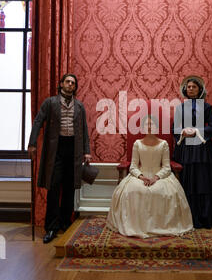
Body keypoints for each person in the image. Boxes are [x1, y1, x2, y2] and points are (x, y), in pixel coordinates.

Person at [28, 74, 91, 244]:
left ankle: (65, 222)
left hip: (74, 149)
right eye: (67, 82)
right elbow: (38, 122)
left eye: (73, 83)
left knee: (70, 188)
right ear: (61, 84)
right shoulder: (50, 103)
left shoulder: (79, 106)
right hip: (56, 151)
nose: (70, 85)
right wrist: (32, 143)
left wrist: (87, 151)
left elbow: (84, 129)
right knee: (54, 187)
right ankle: (51, 227)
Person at [106, 115, 193, 238]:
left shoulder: (163, 144)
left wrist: (156, 178)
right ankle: (136, 226)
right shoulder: (137, 143)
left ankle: (160, 226)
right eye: (146, 124)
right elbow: (133, 166)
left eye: (152, 124)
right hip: (141, 175)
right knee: (133, 190)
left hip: (159, 175)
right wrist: (141, 177)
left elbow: (167, 167)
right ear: (142, 127)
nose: (149, 127)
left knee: (162, 191)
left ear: (156, 127)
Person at [172, 76, 212, 229]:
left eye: (194, 87)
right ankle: (186, 217)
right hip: (186, 150)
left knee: (202, 181)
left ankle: (204, 217)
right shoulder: (180, 108)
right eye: (189, 87)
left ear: (200, 89)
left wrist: (196, 131)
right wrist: (183, 132)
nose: (191, 89)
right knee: (187, 181)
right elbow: (174, 129)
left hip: (202, 149)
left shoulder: (207, 107)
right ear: (185, 89)